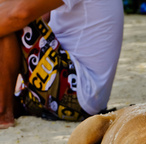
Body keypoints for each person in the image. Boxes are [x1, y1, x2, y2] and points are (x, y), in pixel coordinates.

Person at [0, 0, 124, 129]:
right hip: (77, 96)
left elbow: (20, 14)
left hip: (76, 92)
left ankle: (2, 111)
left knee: (8, 14)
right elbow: (43, 15)